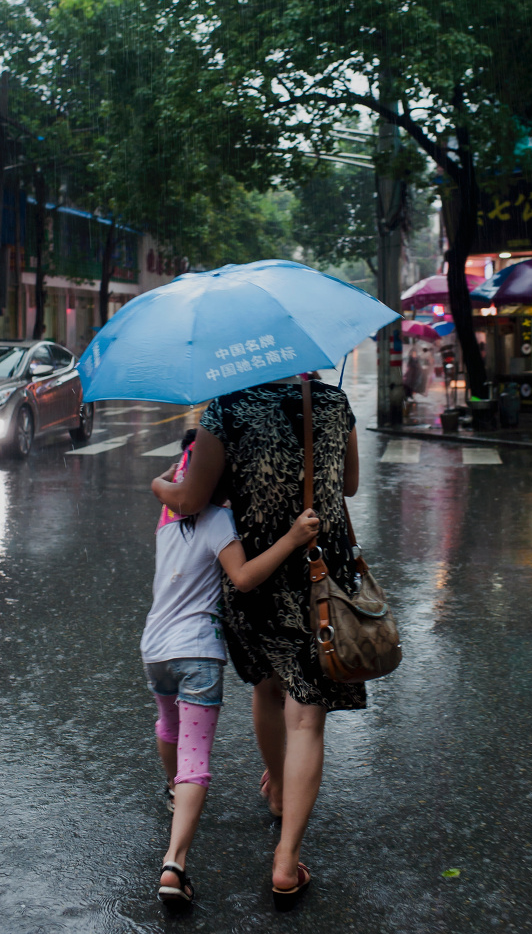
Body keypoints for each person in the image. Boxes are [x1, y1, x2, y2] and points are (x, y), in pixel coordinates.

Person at [152, 372, 361, 910]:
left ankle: (279, 795)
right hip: (319, 575)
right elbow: (349, 484)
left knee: (268, 687)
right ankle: (287, 862)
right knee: (307, 716)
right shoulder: (334, 402)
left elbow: (192, 499)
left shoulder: (225, 410)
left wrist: (159, 487)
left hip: (256, 572)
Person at [143, 430, 320, 912]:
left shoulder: (166, 522)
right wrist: (292, 537)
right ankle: (175, 863)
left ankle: (173, 792)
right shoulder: (220, 520)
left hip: (154, 650)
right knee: (195, 763)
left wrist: (164, 481)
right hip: (198, 653)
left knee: (168, 727)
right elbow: (242, 578)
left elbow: (168, 489)